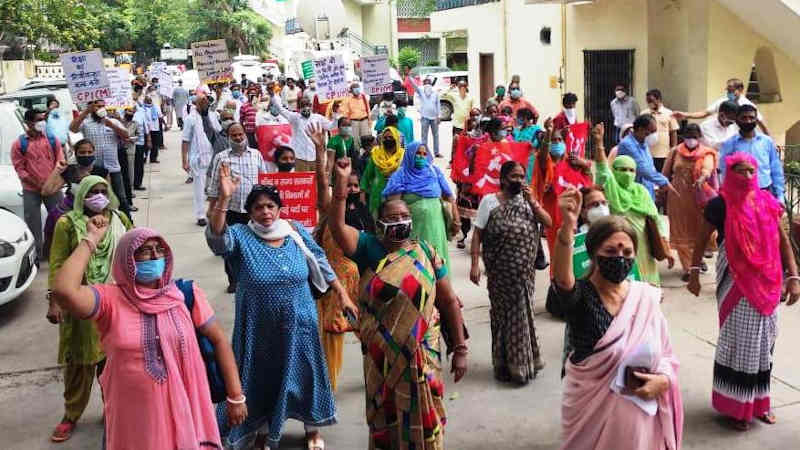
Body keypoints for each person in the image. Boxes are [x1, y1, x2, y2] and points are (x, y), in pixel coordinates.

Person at [52, 223, 247, 449]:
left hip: (187, 413)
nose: (155, 256)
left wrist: (235, 396)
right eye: (145, 251)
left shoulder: (184, 294)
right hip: (135, 420)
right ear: (128, 259)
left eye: (160, 249)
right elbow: (64, 291)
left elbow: (219, 340)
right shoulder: (109, 300)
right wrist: (91, 240)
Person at [206, 170, 355, 450]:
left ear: (279, 209)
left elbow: (320, 261)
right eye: (258, 207)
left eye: (270, 206)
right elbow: (217, 241)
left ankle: (312, 430)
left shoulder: (294, 231)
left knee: (307, 375)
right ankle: (262, 431)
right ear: (249, 211)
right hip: (258, 328)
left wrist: (343, 294)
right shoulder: (239, 236)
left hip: (301, 323)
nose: (265, 212)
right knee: (261, 379)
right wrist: (223, 199)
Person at [328, 157, 468, 450]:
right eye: (391, 218)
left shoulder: (426, 254)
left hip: (422, 352)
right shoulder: (368, 247)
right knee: (385, 416)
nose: (399, 221)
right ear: (379, 224)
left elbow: (449, 302)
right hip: (381, 356)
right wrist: (340, 186)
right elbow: (338, 228)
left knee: (424, 415)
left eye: (403, 216)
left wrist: (460, 349)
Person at [551, 191, 683, 450]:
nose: (619, 257)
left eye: (627, 251)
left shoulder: (644, 297)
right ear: (593, 254)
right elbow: (563, 282)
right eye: (610, 250)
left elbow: (667, 355)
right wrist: (566, 229)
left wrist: (664, 381)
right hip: (593, 418)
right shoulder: (581, 296)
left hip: (642, 419)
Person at [688, 152, 799, 431]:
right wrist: (693, 272)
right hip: (735, 280)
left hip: (769, 282)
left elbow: (782, 240)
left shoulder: (767, 201)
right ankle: (735, 406)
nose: (747, 176)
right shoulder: (720, 204)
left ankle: (760, 403)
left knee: (765, 343)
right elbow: (702, 237)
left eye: (751, 171)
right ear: (729, 172)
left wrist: (793, 275)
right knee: (740, 343)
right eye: (740, 170)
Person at [46, 175, 133, 441]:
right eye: (92, 191)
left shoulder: (120, 219)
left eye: (102, 191)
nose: (98, 196)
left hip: (115, 301)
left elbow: (132, 254)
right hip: (80, 303)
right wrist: (55, 301)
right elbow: (58, 262)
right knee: (79, 365)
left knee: (113, 363)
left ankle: (113, 409)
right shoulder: (68, 223)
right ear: (82, 195)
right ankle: (71, 414)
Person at [470, 160, 552, 383]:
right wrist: (475, 264)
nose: (518, 180)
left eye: (521, 176)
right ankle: (504, 363)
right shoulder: (489, 202)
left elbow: (549, 222)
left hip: (524, 273)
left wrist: (533, 202)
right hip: (499, 273)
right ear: (504, 179)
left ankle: (524, 364)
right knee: (501, 316)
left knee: (521, 316)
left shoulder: (528, 201)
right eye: (514, 176)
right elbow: (477, 234)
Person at [311, 125, 373, 391]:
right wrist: (320, 151)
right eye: (348, 185)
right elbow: (323, 182)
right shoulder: (330, 210)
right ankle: (328, 389)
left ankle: (374, 375)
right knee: (332, 335)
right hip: (333, 282)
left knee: (367, 332)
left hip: (359, 280)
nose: (352, 189)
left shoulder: (363, 211)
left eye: (355, 186)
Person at [593, 124, 673, 286]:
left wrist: (666, 246)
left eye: (631, 170)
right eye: (622, 169)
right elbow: (602, 171)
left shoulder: (641, 191)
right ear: (614, 170)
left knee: (647, 291)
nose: (627, 174)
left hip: (644, 248)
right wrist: (599, 144)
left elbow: (656, 220)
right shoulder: (612, 188)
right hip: (619, 248)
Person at [206, 123, 267, 293]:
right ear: (228, 137)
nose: (239, 138)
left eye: (241, 134)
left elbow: (265, 181)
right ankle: (233, 280)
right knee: (230, 246)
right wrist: (212, 209)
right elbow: (213, 186)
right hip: (231, 210)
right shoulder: (221, 158)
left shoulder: (256, 155)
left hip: (253, 211)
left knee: (256, 246)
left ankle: (255, 278)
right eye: (234, 136)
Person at [383, 141, 458, 270]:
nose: (421, 156)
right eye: (418, 153)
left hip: (436, 228)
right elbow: (393, 205)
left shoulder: (434, 172)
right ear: (410, 155)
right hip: (412, 231)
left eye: (424, 154)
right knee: (415, 265)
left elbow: (449, 196)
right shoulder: (400, 175)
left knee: (437, 262)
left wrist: (456, 220)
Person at [530, 118, 592, 269]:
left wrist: (584, 165)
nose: (557, 143)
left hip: (578, 219)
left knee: (579, 258)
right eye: (554, 140)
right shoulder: (545, 165)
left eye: (560, 139)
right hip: (556, 219)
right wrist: (549, 134)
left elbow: (589, 184)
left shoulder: (573, 163)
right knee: (559, 258)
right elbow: (544, 157)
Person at [662, 123, 717, 281]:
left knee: (700, 230)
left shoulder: (707, 153)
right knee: (680, 231)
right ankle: (687, 268)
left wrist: (703, 176)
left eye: (694, 137)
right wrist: (661, 191)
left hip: (699, 198)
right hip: (677, 197)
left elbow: (708, 167)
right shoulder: (675, 151)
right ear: (683, 137)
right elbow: (665, 173)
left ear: (699, 138)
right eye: (688, 137)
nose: (691, 140)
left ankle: (697, 260)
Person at [12, 108, 66, 258]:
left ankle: (59, 251)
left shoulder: (51, 139)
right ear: (28, 123)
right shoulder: (19, 144)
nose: (42, 122)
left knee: (60, 219)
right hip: (31, 189)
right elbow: (20, 169)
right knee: (33, 223)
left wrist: (52, 182)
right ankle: (36, 255)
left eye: (43, 119)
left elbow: (60, 162)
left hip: (53, 188)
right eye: (38, 120)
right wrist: (37, 183)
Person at [70, 100, 131, 219]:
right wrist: (86, 111)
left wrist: (112, 125)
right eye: (98, 106)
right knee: (95, 199)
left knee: (121, 198)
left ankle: (127, 222)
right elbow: (72, 128)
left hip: (112, 167)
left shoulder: (113, 121)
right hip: (93, 169)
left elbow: (126, 135)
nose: (101, 108)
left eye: (103, 106)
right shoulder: (86, 123)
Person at [718, 104, 784, 201]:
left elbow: (776, 169)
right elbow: (724, 171)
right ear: (737, 120)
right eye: (744, 118)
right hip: (740, 194)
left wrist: (780, 195)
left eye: (751, 117)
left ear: (756, 120)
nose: (748, 121)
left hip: (765, 191)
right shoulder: (729, 144)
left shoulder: (766, 141)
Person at [673, 78, 769, 135]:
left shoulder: (748, 106)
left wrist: (770, 141)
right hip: (719, 137)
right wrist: (686, 115)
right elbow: (705, 113)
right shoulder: (722, 101)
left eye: (731, 91)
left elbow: (761, 123)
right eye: (727, 91)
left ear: (740, 89)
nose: (729, 93)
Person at [615, 114, 677, 201]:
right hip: (633, 194)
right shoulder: (627, 145)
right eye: (651, 132)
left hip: (646, 192)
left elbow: (650, 167)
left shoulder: (644, 144)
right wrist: (663, 182)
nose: (653, 135)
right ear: (640, 129)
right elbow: (643, 169)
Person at [180, 95, 219, 226]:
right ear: (196, 105)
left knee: (214, 188)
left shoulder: (212, 116)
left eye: (206, 103)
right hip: (199, 160)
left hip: (213, 157)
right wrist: (184, 161)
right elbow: (185, 141)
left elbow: (218, 132)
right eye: (202, 103)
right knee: (199, 189)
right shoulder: (190, 119)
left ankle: (214, 213)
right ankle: (200, 215)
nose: (205, 105)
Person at [271, 94, 334, 172]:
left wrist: (335, 114)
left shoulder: (318, 118)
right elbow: (281, 109)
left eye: (307, 105)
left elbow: (331, 126)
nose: (305, 107)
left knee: (316, 182)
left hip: (315, 157)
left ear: (311, 106)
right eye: (303, 105)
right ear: (299, 107)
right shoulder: (295, 117)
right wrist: (272, 96)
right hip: (300, 158)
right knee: (302, 181)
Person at [360, 127, 405, 217]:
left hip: (397, 196)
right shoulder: (376, 155)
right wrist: (362, 196)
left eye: (391, 137)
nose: (388, 140)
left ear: (396, 139)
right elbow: (366, 176)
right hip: (377, 196)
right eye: (385, 138)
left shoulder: (403, 156)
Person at [643, 89, 679, 172]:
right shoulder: (644, 114)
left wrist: (673, 150)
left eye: (651, 100)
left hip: (663, 154)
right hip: (648, 153)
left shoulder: (669, 113)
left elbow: (673, 132)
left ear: (658, 99)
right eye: (648, 101)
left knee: (662, 176)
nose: (649, 103)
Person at [409, 76, 442, 157]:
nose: (427, 86)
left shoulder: (435, 93)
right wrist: (409, 77)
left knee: (436, 135)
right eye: (426, 84)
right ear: (423, 85)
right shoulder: (421, 92)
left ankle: (436, 152)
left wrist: (439, 116)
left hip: (434, 117)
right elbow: (414, 85)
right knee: (424, 137)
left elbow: (438, 105)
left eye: (429, 84)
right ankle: (424, 153)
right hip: (424, 117)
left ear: (431, 85)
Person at [119, 106, 139, 212]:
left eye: (131, 111)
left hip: (130, 149)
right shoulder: (119, 122)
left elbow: (138, 136)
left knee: (130, 173)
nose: (129, 113)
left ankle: (130, 192)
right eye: (128, 111)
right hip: (120, 150)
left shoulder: (135, 123)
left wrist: (130, 139)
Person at [131, 103, 152, 192]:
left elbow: (146, 127)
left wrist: (149, 140)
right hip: (127, 144)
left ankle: (138, 183)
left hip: (139, 143)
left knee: (139, 164)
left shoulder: (141, 113)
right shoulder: (121, 113)